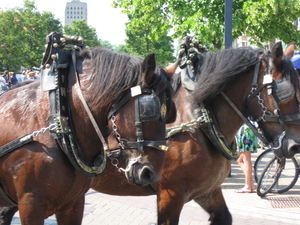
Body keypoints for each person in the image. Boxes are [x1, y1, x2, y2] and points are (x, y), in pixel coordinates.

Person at [235, 123, 258, 193]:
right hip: (248, 128)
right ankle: (251, 184)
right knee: (240, 159)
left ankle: (248, 185)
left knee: (246, 159)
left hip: (245, 129)